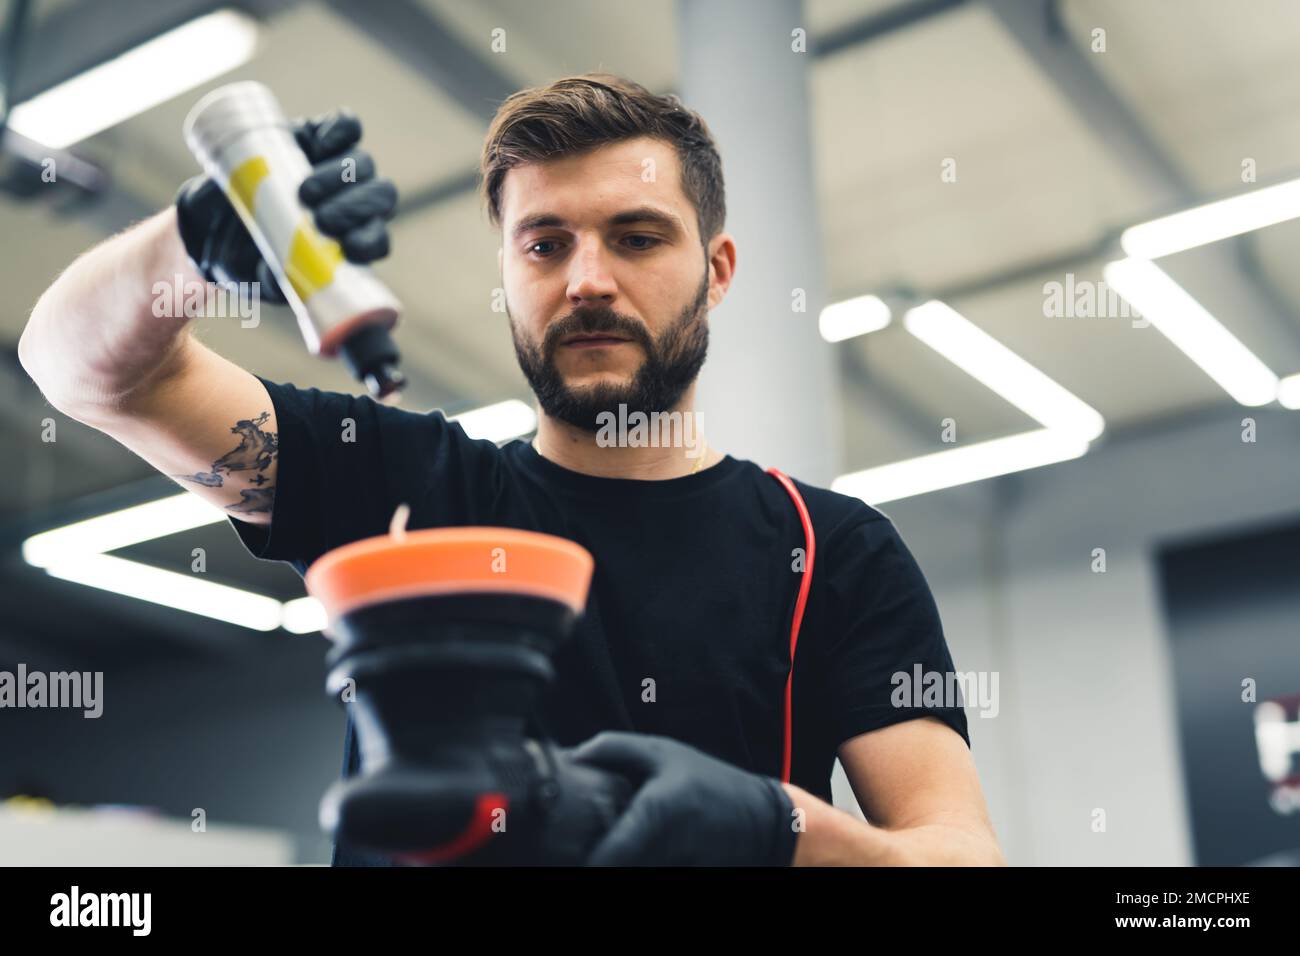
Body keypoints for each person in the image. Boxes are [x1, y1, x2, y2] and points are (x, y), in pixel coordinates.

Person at [18, 72, 1004, 867]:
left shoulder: (829, 548)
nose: (586, 278)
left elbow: (961, 855)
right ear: (507, 274)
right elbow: (81, 370)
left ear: (720, 268)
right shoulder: (405, 484)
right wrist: (192, 247)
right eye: (545, 244)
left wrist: (779, 831)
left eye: (637, 236)